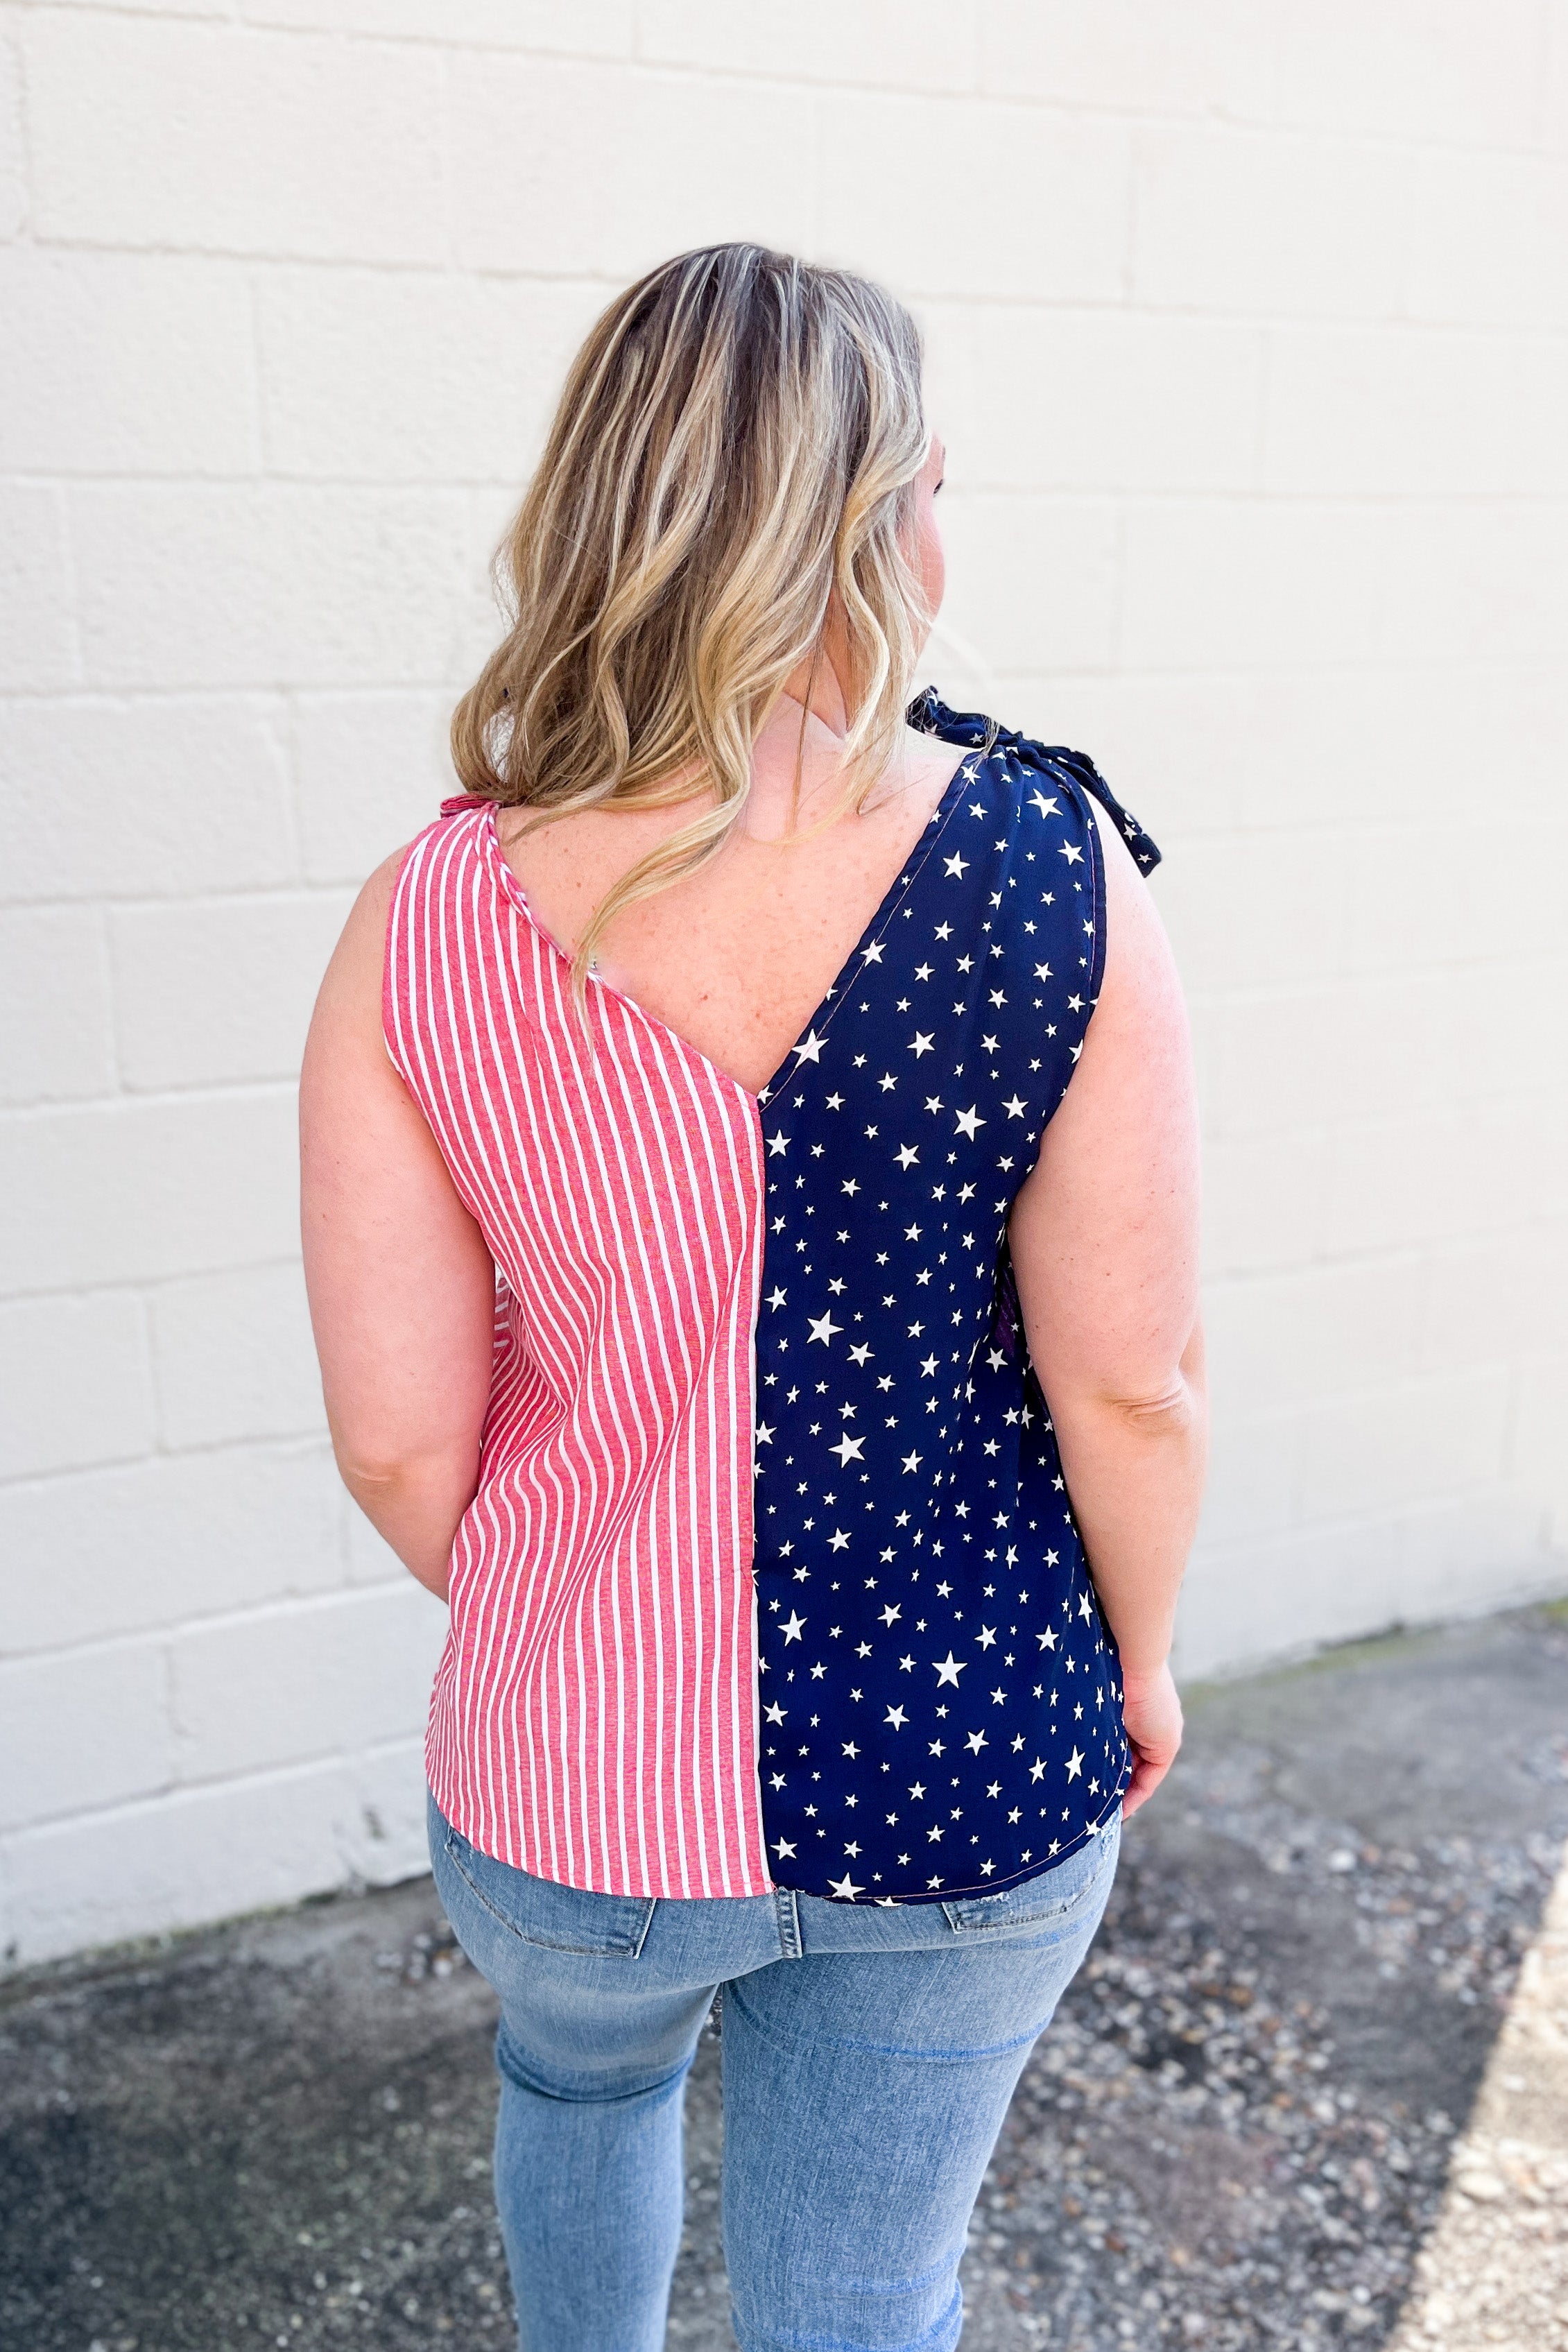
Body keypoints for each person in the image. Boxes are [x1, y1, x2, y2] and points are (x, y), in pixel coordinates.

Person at [300, 242, 1205, 2352]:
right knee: (867, 2283)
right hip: (970, 1747)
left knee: (576, 2078)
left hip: (571, 1773)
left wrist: (590, 1627)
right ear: (877, 520)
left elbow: (402, 1436)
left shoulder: (428, 911)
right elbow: (1134, 1384)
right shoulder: (1049, 867)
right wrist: (1138, 1660)